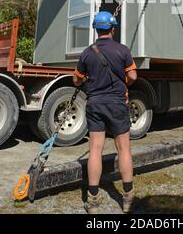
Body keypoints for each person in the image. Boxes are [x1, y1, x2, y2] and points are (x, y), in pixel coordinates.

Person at [73, 11, 137, 214]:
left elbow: (77, 80)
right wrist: (123, 83)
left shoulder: (86, 53)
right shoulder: (123, 50)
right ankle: (127, 198)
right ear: (113, 28)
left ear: (95, 29)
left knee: (95, 150)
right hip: (118, 103)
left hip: (96, 104)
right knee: (124, 149)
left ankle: (92, 200)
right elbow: (133, 75)